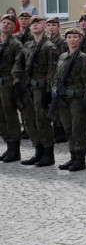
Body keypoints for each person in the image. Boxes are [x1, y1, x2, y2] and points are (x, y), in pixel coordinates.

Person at [14, 16, 59, 167]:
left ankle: (48, 152)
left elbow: (53, 70)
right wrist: (17, 83)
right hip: (28, 87)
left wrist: (49, 91)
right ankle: (38, 150)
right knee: (29, 120)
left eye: (38, 23)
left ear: (45, 26)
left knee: (42, 120)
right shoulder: (27, 45)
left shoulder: (49, 46)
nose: (34, 25)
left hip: (41, 87)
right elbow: (18, 65)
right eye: (32, 23)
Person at [51, 27, 86, 172]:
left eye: (75, 37)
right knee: (68, 128)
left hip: (77, 98)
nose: (72, 40)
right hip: (63, 98)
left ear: (80, 39)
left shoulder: (83, 58)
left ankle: (80, 159)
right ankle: (73, 156)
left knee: (78, 128)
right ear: (66, 40)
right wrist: (55, 89)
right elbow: (57, 76)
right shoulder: (63, 56)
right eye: (69, 37)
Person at [0, 14, 24, 162]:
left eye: (9, 23)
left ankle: (15, 149)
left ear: (13, 27)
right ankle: (8, 145)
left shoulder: (16, 44)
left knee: (10, 116)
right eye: (3, 22)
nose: (5, 25)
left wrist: (16, 84)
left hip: (8, 83)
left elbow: (18, 64)